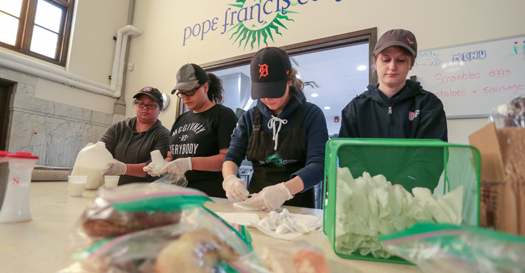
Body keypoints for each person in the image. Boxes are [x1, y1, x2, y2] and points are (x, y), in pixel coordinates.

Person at [338, 29, 447, 191]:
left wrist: (404, 184)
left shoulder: (428, 104)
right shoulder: (355, 108)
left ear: (411, 64)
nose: (392, 66)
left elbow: (431, 156)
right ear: (375, 63)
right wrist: (368, 185)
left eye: (401, 60)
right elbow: (348, 155)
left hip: (411, 197)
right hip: (366, 196)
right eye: (385, 59)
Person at [222, 47, 329, 211]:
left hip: (298, 207)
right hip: (255, 204)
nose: (267, 98)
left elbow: (319, 165)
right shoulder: (249, 118)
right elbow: (232, 156)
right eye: (262, 92)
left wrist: (284, 191)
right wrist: (230, 178)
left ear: (289, 81)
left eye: (273, 91)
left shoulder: (311, 114)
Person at [147, 63, 238, 198]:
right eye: (181, 94)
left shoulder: (223, 115)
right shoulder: (180, 119)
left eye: (189, 92)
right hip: (180, 195)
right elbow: (171, 156)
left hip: (210, 196)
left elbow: (227, 159)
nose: (185, 98)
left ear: (205, 87)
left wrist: (189, 163)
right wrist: (161, 165)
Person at [100, 86, 170, 185]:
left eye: (151, 105)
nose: (145, 108)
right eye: (140, 104)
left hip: (144, 194)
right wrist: (94, 151)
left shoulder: (164, 135)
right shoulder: (118, 127)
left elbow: (154, 169)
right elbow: (102, 152)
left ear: (160, 108)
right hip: (113, 188)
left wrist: (123, 168)